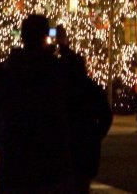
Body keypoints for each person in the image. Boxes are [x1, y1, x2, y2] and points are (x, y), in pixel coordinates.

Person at [0, 13, 72, 193]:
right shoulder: (53, 68)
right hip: (45, 156)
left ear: (22, 37)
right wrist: (64, 48)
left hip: (14, 157)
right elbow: (74, 83)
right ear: (45, 36)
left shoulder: (8, 69)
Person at [57, 29, 113, 194]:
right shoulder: (91, 88)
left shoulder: (61, 88)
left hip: (65, 147)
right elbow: (106, 116)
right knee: (81, 185)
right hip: (85, 147)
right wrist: (95, 135)